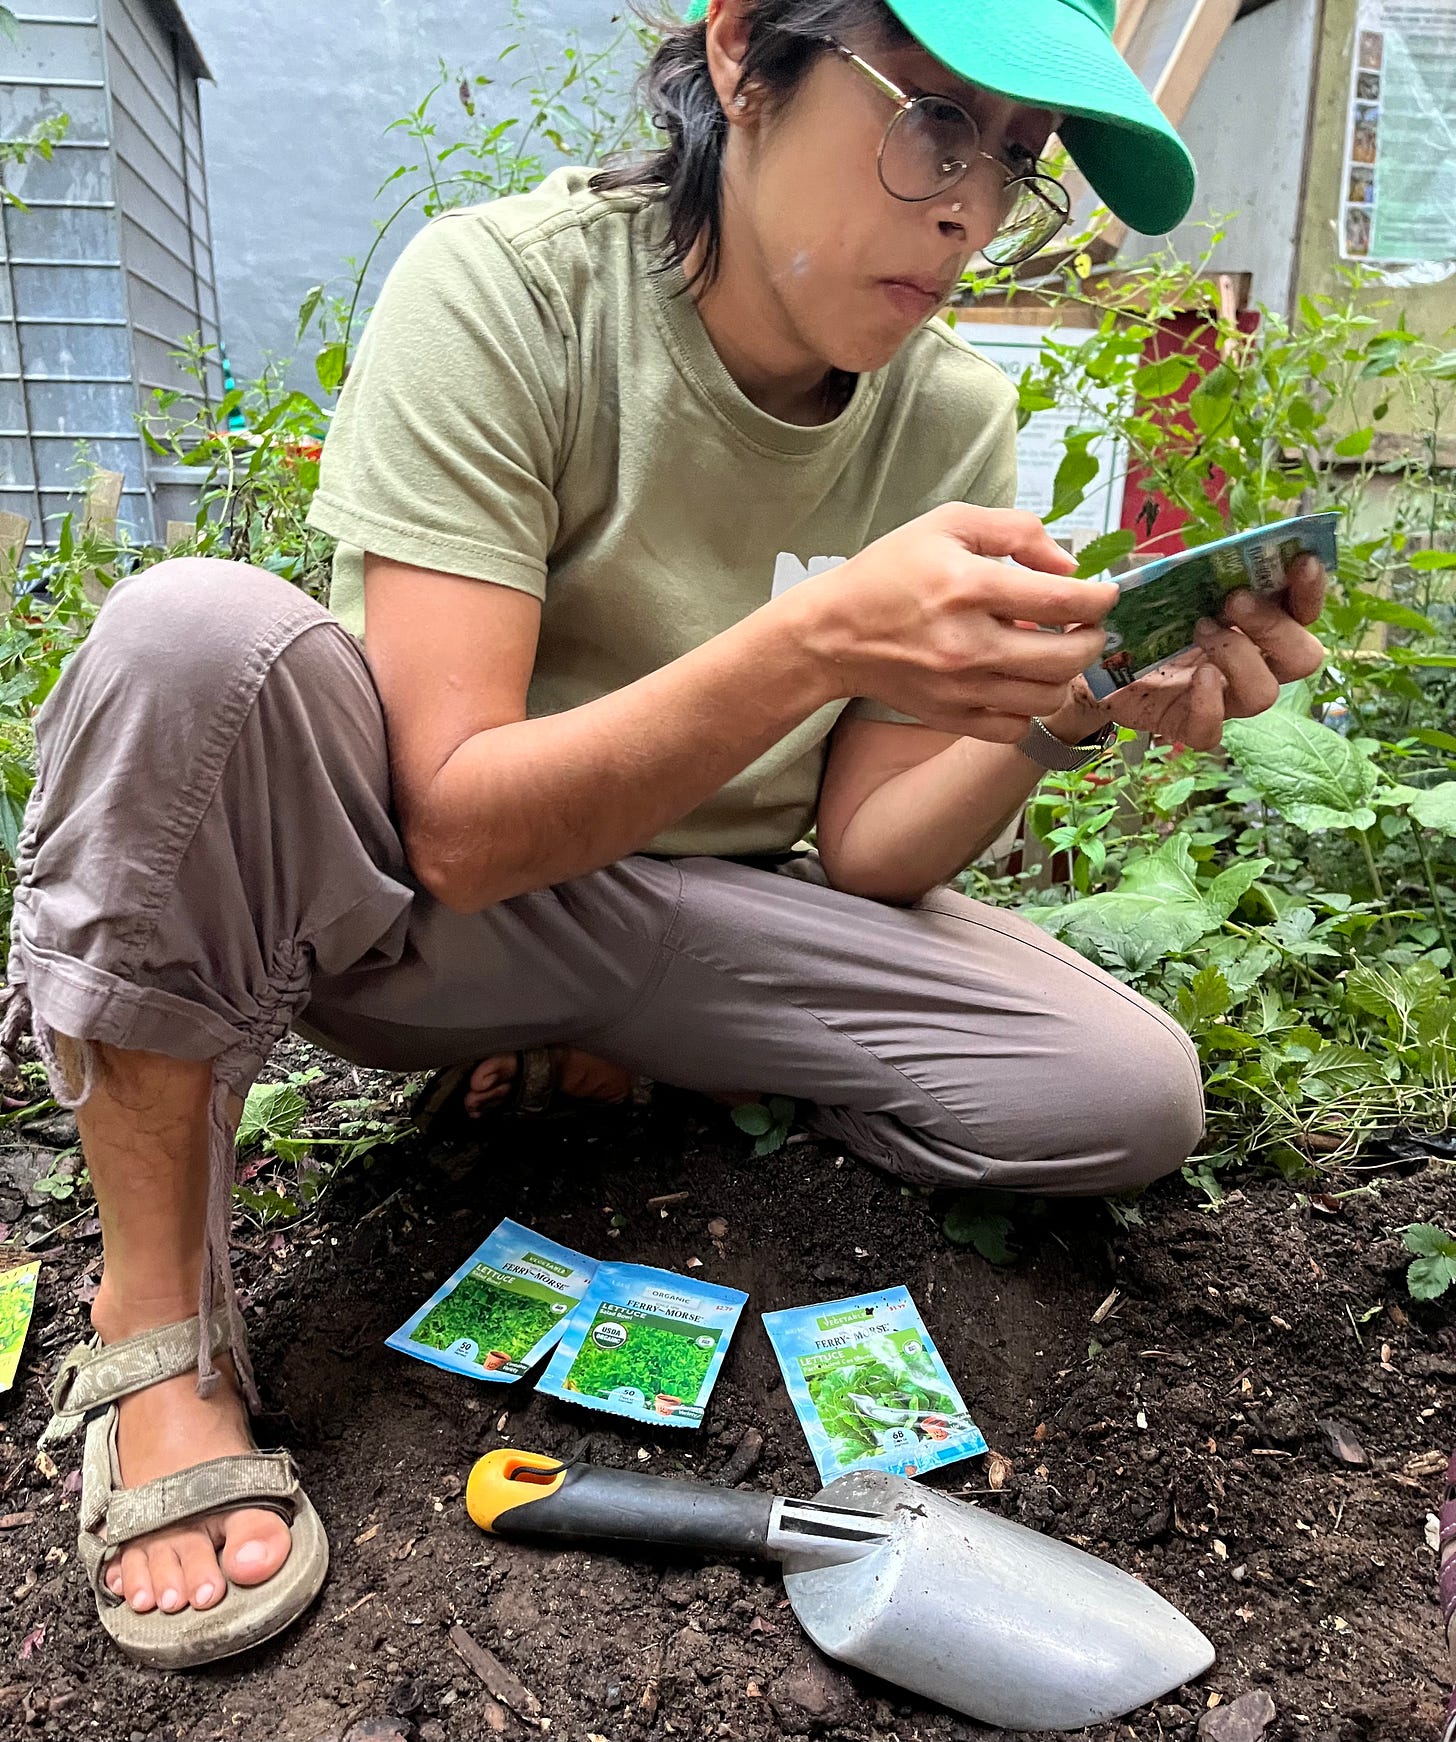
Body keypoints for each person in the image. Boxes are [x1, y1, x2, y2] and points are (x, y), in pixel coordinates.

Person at [4, 0, 1326, 1670]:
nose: (969, 210)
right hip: (419, 918)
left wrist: (1057, 711)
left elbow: (866, 849)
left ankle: (623, 1056)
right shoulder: (511, 293)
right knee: (186, 636)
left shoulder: (949, 415)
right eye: (932, 117)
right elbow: (459, 827)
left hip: (695, 920)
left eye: (1016, 158)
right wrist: (822, 636)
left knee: (1118, 1090)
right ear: (739, 57)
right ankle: (160, 1323)